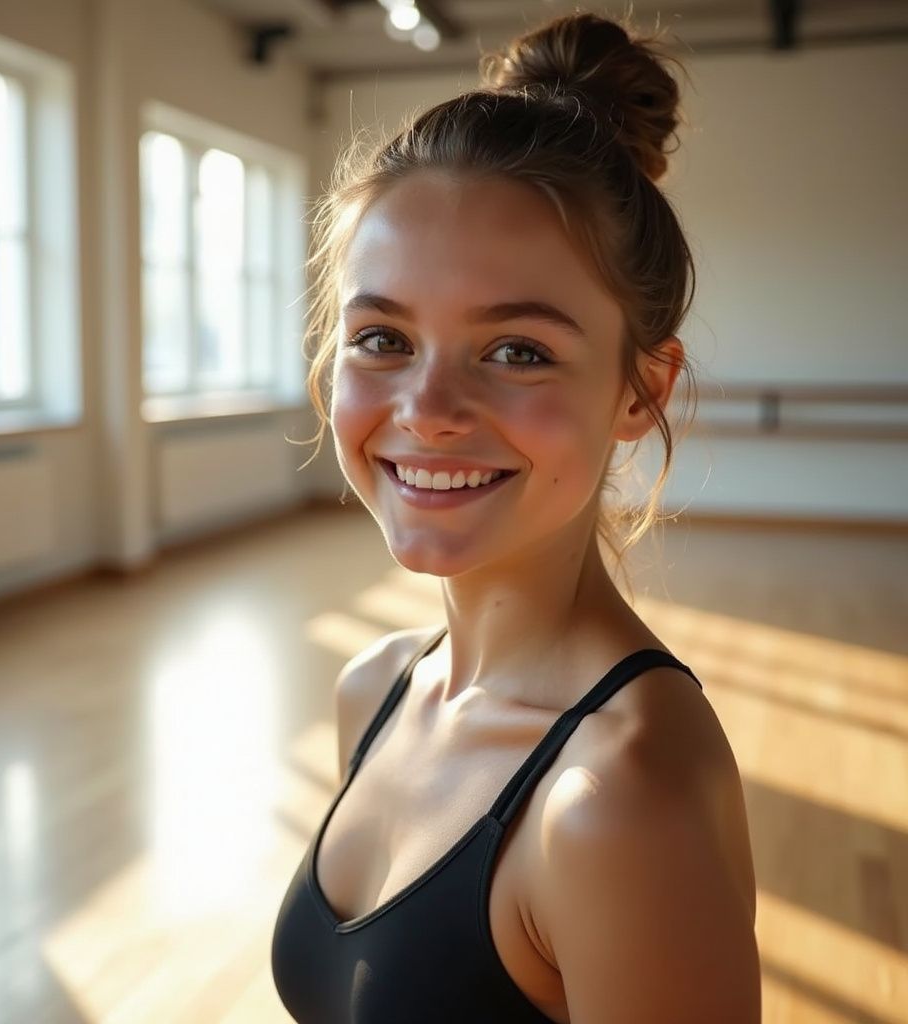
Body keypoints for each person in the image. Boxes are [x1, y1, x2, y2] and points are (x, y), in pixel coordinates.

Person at [272, 9, 760, 1023]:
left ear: (641, 390)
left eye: (518, 351)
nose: (427, 410)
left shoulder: (619, 798)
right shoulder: (376, 689)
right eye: (382, 338)